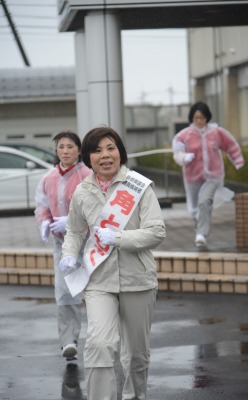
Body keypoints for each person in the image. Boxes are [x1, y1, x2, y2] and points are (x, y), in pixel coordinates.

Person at [59, 126, 166, 400]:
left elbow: (157, 232)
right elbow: (74, 231)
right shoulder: (82, 193)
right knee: (98, 344)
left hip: (138, 280)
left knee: (136, 355)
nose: (105, 155)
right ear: (87, 157)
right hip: (99, 280)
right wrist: (69, 254)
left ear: (120, 152)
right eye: (97, 150)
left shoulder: (139, 187)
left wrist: (118, 237)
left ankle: (135, 396)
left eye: (110, 148)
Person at [34, 130, 91, 361]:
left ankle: (108, 337)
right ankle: (69, 341)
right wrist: (44, 223)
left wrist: (74, 220)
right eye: (61, 147)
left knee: (96, 291)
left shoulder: (88, 175)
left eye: (70, 146)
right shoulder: (48, 178)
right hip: (61, 244)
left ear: (79, 150)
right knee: (65, 292)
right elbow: (41, 204)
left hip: (89, 244)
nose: (65, 151)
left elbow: (96, 208)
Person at [172, 101, 244, 247]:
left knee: (204, 201)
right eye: (196, 117)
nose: (199, 120)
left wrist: (237, 160)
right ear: (192, 118)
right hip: (192, 177)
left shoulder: (216, 132)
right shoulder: (183, 135)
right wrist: (184, 157)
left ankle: (201, 234)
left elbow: (230, 145)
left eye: (202, 117)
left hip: (213, 176)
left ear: (207, 118)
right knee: (195, 208)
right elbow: (177, 152)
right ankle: (200, 227)